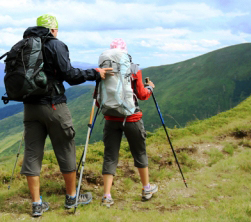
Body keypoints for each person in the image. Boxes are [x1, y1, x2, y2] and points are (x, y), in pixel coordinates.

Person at [20, 14, 112, 217]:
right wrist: (95, 73)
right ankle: (71, 197)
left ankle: (36, 204)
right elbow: (69, 75)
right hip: (54, 106)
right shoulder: (56, 45)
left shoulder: (25, 45)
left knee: (33, 153)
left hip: (30, 107)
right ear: (53, 29)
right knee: (65, 148)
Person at [97, 38, 158, 207]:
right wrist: (150, 88)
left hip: (110, 118)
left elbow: (98, 99)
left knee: (110, 156)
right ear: (125, 52)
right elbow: (141, 94)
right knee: (139, 152)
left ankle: (107, 196)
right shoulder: (133, 69)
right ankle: (146, 188)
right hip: (131, 118)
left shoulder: (104, 69)